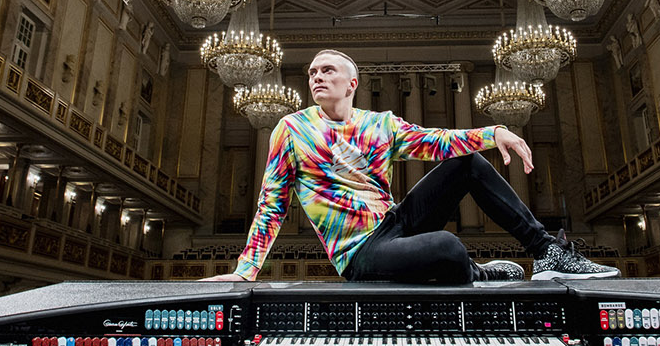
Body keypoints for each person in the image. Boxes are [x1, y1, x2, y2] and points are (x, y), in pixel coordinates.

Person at [201, 49, 618, 284]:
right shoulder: (290, 129)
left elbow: (437, 141)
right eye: (312, 71)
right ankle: (475, 271)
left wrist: (494, 133)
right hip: (361, 252)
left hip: (395, 223)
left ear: (352, 83)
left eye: (328, 70)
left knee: (466, 162)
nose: (316, 77)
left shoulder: (379, 124)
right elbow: (271, 202)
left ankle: (546, 252)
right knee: (448, 246)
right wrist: (244, 270)